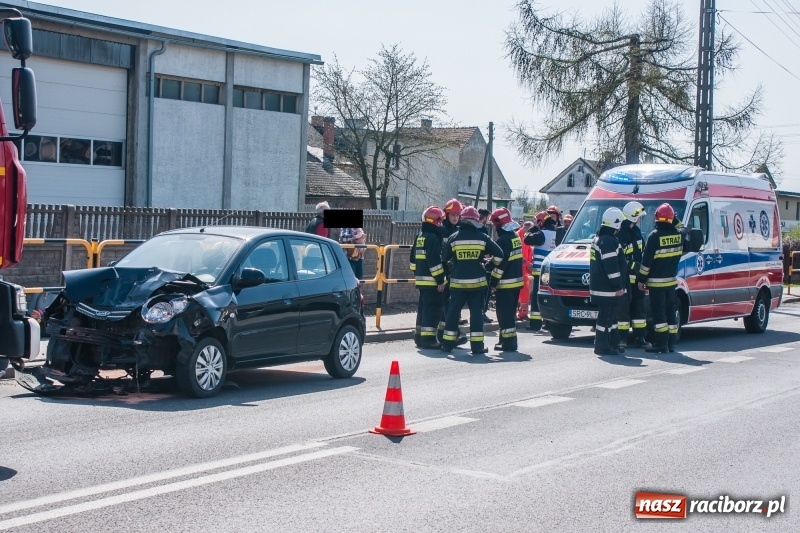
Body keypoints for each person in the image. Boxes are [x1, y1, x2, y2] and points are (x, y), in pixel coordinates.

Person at [441, 206, 503, 354]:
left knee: (453, 313)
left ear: (462, 219)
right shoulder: (483, 237)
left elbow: (444, 259)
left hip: (457, 284)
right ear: (476, 221)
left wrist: (452, 268)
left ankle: (447, 344)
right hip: (477, 285)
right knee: (476, 314)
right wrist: (488, 266)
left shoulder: (454, 237)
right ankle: (477, 346)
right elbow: (499, 255)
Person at [638, 203, 684, 354]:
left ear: (656, 217)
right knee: (671, 311)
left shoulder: (654, 236)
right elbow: (684, 228)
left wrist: (641, 279)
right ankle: (671, 343)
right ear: (671, 218)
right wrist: (675, 219)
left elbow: (646, 263)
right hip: (671, 282)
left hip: (656, 284)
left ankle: (661, 344)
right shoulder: (679, 235)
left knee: (659, 314)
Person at [590, 207, 627, 356]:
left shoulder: (599, 239)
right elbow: (612, 268)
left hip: (602, 287)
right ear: (616, 224)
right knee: (605, 319)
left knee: (610, 319)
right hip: (608, 290)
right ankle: (602, 346)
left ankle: (613, 343)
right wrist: (618, 286)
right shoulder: (609, 242)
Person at [410, 206, 447, 348]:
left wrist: (418, 273)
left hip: (421, 280)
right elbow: (435, 262)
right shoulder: (432, 238)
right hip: (432, 282)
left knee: (423, 309)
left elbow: (412, 261)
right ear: (436, 221)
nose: (441, 224)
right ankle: (429, 340)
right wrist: (440, 280)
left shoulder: (420, 236)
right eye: (440, 220)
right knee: (432, 310)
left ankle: (419, 337)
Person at [616, 202, 651, 349]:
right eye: (639, 217)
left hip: (637, 279)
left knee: (639, 308)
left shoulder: (636, 232)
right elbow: (619, 258)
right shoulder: (620, 234)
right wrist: (633, 266)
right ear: (634, 217)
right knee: (623, 310)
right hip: (624, 280)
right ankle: (622, 338)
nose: (641, 220)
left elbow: (641, 253)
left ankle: (640, 337)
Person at [488, 207, 523, 351]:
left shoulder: (503, 240)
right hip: (516, 283)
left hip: (505, 284)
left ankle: (509, 344)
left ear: (499, 224)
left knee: (504, 314)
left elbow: (500, 265)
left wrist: (493, 281)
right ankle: (505, 341)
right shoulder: (515, 237)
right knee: (510, 313)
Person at [524, 210, 558, 331]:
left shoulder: (541, 234)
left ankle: (535, 323)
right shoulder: (556, 233)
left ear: (540, 222)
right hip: (553, 270)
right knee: (549, 296)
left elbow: (526, 239)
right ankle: (549, 323)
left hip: (540, 270)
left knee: (536, 297)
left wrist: (533, 228)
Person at [478, 208, 493, 322]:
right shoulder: (483, 230)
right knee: (484, 291)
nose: (488, 221)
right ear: (483, 218)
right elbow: (487, 248)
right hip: (483, 264)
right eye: (487, 218)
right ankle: (482, 313)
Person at [517, 220, 534, 320]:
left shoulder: (525, 237)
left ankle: (523, 313)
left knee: (525, 293)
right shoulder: (518, 236)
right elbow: (520, 255)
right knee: (522, 293)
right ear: (526, 227)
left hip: (525, 270)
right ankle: (521, 313)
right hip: (519, 269)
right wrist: (528, 264)